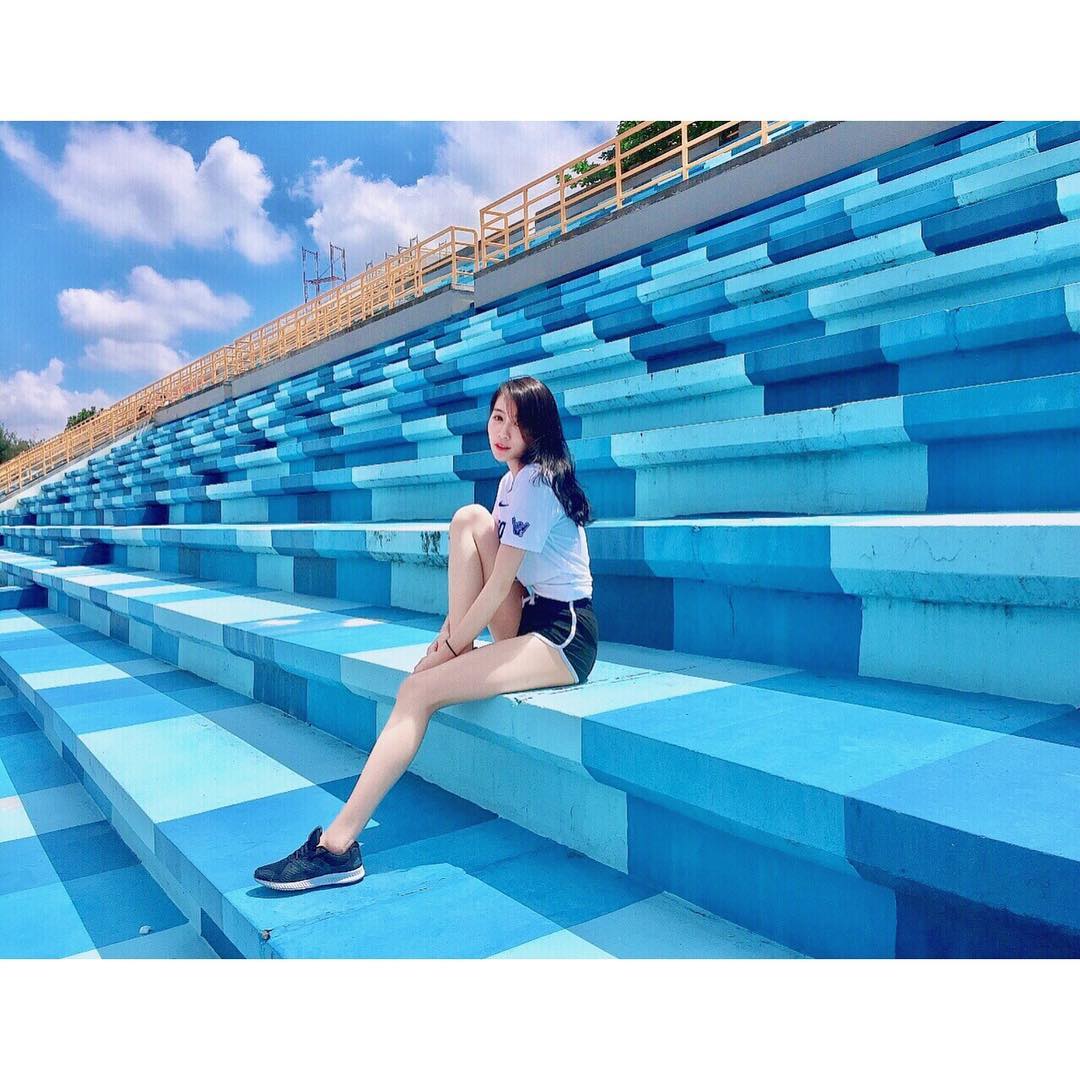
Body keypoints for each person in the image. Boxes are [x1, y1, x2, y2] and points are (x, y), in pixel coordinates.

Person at [254, 375, 599, 891]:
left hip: (563, 633)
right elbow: (483, 580)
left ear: (539, 431)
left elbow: (498, 585)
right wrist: (446, 640)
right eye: (497, 418)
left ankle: (337, 847)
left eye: (518, 423)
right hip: (524, 615)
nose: (503, 432)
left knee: (417, 692)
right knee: (469, 519)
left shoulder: (535, 483)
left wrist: (448, 652)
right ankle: (456, 651)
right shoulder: (509, 483)